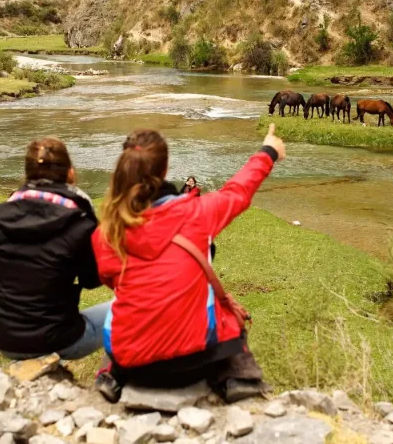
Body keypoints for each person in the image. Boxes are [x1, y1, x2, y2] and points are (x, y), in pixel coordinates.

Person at [92, 124, 286, 402]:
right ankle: (239, 377)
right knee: (224, 309)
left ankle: (111, 376)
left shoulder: (107, 232)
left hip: (135, 366)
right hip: (195, 365)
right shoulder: (198, 213)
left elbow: (110, 279)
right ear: (165, 168)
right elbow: (238, 191)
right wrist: (268, 151)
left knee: (121, 309)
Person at [0, 137, 108, 360]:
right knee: (128, 307)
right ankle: (113, 379)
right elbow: (92, 279)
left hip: (5, 339)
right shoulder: (78, 221)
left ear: (27, 173)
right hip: (60, 339)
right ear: (70, 172)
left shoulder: (1, 219)